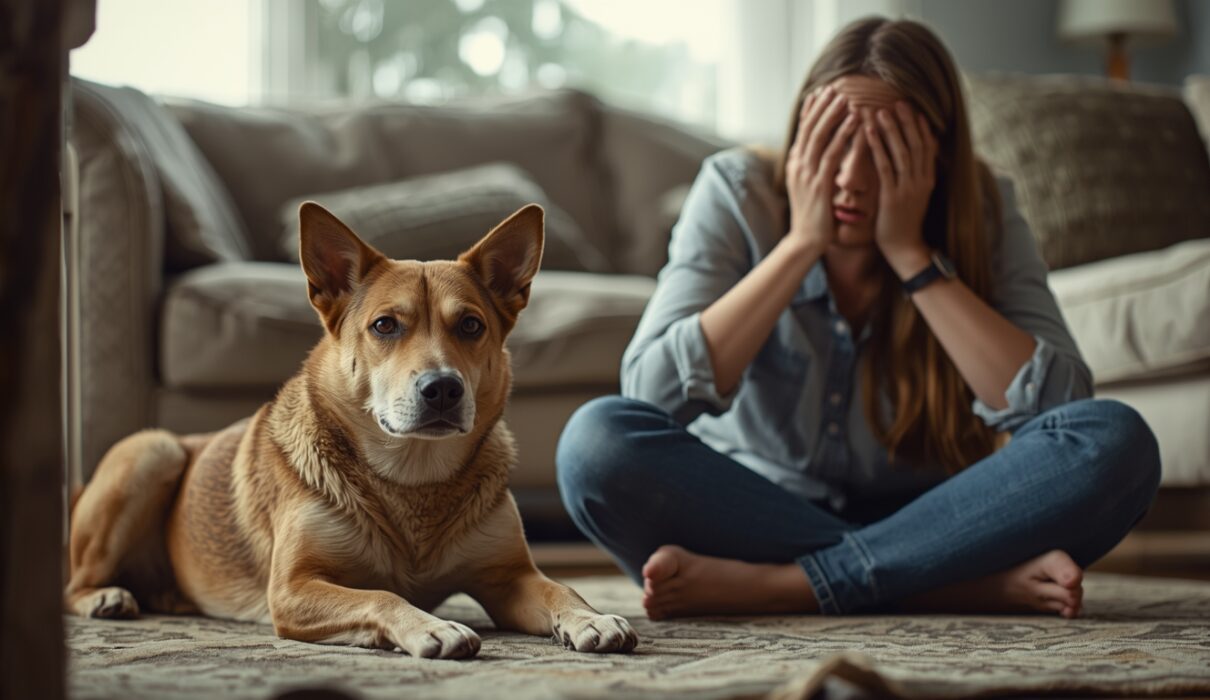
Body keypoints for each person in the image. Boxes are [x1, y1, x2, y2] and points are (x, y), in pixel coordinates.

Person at [555, 17, 1160, 619]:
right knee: (595, 444)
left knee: (1117, 443)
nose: (849, 179)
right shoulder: (738, 191)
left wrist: (912, 258)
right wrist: (800, 245)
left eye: (882, 153)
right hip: (755, 515)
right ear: (799, 138)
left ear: (938, 160)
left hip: (942, 514)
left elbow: (1061, 409)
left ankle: (781, 589)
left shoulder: (984, 207)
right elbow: (650, 396)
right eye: (832, 145)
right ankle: (950, 587)